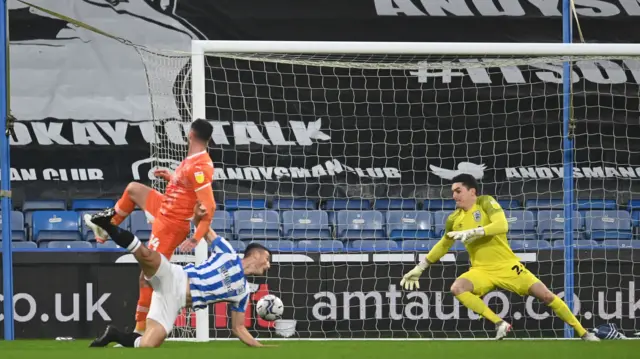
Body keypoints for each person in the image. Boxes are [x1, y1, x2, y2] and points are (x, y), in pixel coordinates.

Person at [400, 174, 599, 341]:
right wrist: (420, 267)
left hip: (507, 265)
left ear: (472, 191)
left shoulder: (485, 202)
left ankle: (583, 333)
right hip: (481, 270)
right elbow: (444, 244)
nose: (454, 195)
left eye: (458, 190)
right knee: (457, 288)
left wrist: (473, 232)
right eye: (452, 191)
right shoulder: (454, 218)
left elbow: (502, 225)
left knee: (546, 296)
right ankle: (500, 323)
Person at [87, 118, 217, 335]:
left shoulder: (201, 165)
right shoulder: (192, 159)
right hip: (164, 206)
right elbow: (187, 188)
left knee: (147, 276)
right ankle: (104, 228)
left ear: (190, 134)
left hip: (172, 225)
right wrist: (172, 178)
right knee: (133, 189)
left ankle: (139, 331)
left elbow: (209, 206)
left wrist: (196, 237)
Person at [87, 205, 272, 348]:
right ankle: (107, 225)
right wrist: (198, 211)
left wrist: (260, 347)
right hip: (176, 277)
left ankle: (113, 334)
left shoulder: (244, 292)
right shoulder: (228, 253)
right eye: (267, 259)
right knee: (146, 255)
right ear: (256, 255)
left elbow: (238, 328)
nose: (268, 265)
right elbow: (204, 228)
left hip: (174, 302)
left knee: (148, 344)